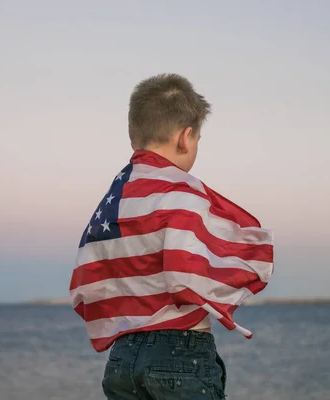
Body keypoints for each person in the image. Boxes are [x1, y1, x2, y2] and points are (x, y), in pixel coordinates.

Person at [69, 73, 274, 399]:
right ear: (186, 137)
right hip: (181, 352)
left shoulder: (115, 201)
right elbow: (187, 273)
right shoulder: (182, 192)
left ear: (133, 133)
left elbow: (90, 276)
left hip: (123, 360)